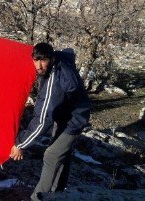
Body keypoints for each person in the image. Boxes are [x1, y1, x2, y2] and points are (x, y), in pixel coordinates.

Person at [10, 43, 91, 201]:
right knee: (62, 154)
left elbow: (42, 120)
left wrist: (21, 144)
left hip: (73, 119)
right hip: (65, 115)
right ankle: (56, 194)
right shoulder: (57, 62)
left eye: (43, 60)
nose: (39, 66)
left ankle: (38, 198)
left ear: (52, 59)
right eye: (36, 60)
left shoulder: (55, 80)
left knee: (52, 155)